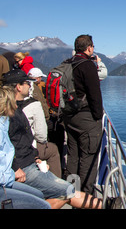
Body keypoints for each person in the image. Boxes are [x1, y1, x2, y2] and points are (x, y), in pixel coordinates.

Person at [2, 69, 107, 209]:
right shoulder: (9, 114)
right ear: (18, 87)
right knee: (68, 191)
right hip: (24, 168)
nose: (30, 86)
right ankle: (107, 205)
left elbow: (19, 141)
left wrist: (34, 156)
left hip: (28, 161)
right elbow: (6, 144)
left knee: (63, 192)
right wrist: (15, 167)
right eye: (27, 83)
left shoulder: (16, 109)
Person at [64, 35, 104, 194]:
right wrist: (98, 117)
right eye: (92, 46)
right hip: (86, 119)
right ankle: (85, 196)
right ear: (89, 48)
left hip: (68, 117)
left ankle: (71, 191)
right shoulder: (87, 65)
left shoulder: (67, 63)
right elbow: (95, 94)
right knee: (88, 158)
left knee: (72, 156)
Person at [1, 85, 51, 209]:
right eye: (14, 103)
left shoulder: (4, 123)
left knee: (39, 194)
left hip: (7, 180)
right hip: (3, 184)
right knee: (43, 206)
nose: (17, 106)